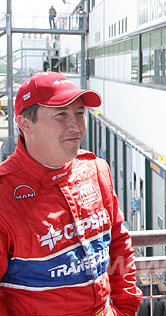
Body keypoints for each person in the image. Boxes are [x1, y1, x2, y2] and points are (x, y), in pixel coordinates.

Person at [0, 72, 143, 315]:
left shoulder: (96, 170)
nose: (76, 126)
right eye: (61, 115)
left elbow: (118, 245)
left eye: (79, 113)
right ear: (25, 124)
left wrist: (124, 309)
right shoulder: (5, 193)